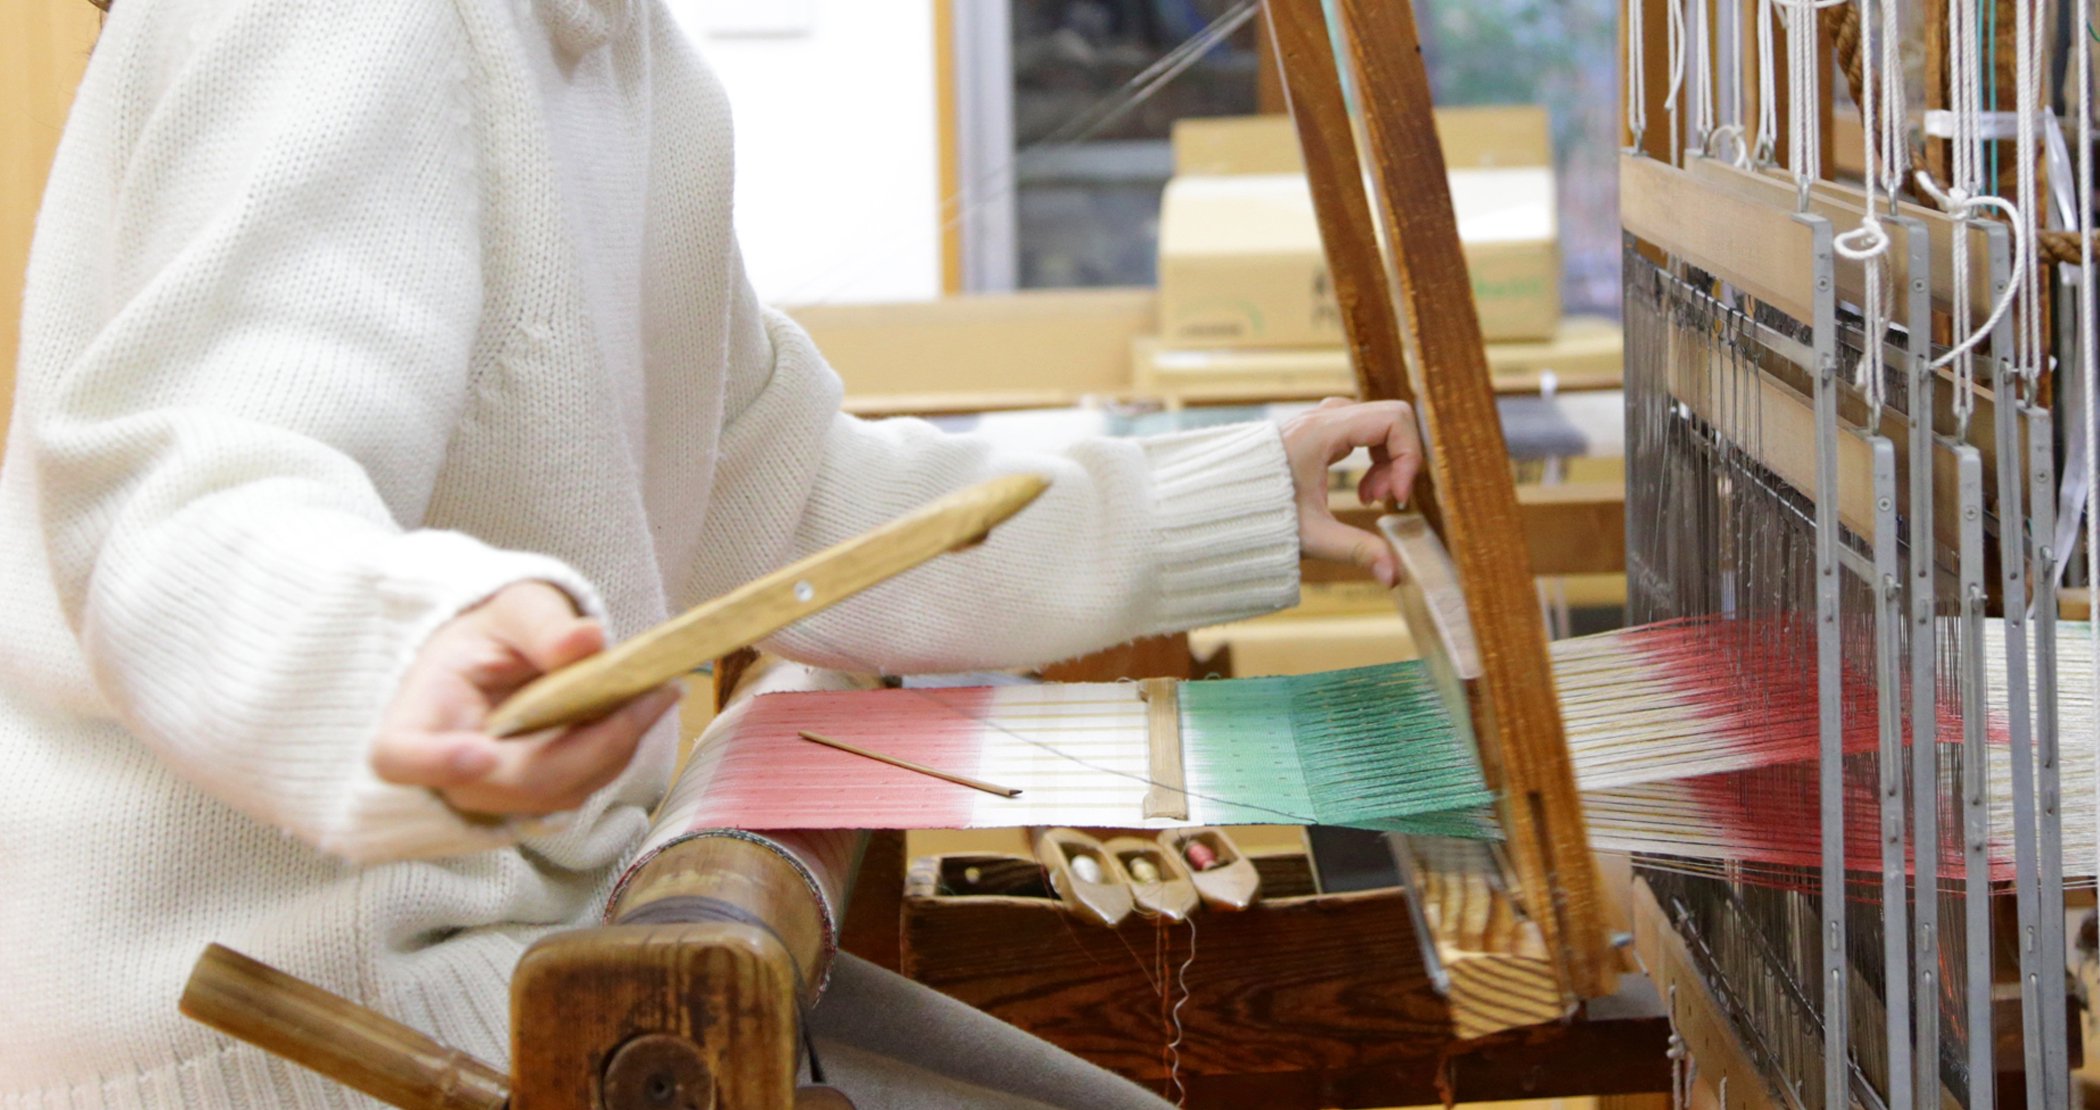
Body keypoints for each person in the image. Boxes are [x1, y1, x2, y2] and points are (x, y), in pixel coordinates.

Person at [0, 1, 1420, 1106]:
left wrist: (1213, 500)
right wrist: (401, 654)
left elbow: (795, 496)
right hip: (278, 1016)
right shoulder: (348, 22)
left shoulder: (643, 74)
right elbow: (180, 487)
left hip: (550, 950)